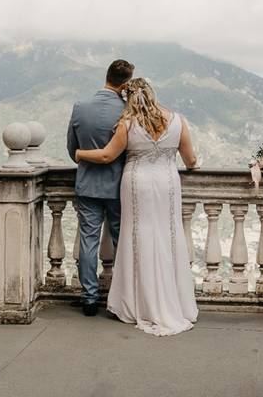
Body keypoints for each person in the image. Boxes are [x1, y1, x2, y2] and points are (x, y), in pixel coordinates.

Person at [76, 77, 199, 336]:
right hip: (167, 184)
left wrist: (80, 154)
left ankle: (137, 302)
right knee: (168, 237)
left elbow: (108, 155)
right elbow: (191, 160)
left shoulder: (128, 124)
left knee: (138, 238)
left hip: (137, 184)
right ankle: (174, 302)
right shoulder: (178, 121)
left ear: (129, 99)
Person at [66, 59, 134, 316]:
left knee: (88, 242)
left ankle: (89, 299)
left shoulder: (80, 107)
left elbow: (73, 150)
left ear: (106, 76)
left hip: (88, 184)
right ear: (126, 84)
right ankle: (121, 298)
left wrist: (84, 156)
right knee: (121, 242)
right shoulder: (128, 111)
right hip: (119, 187)